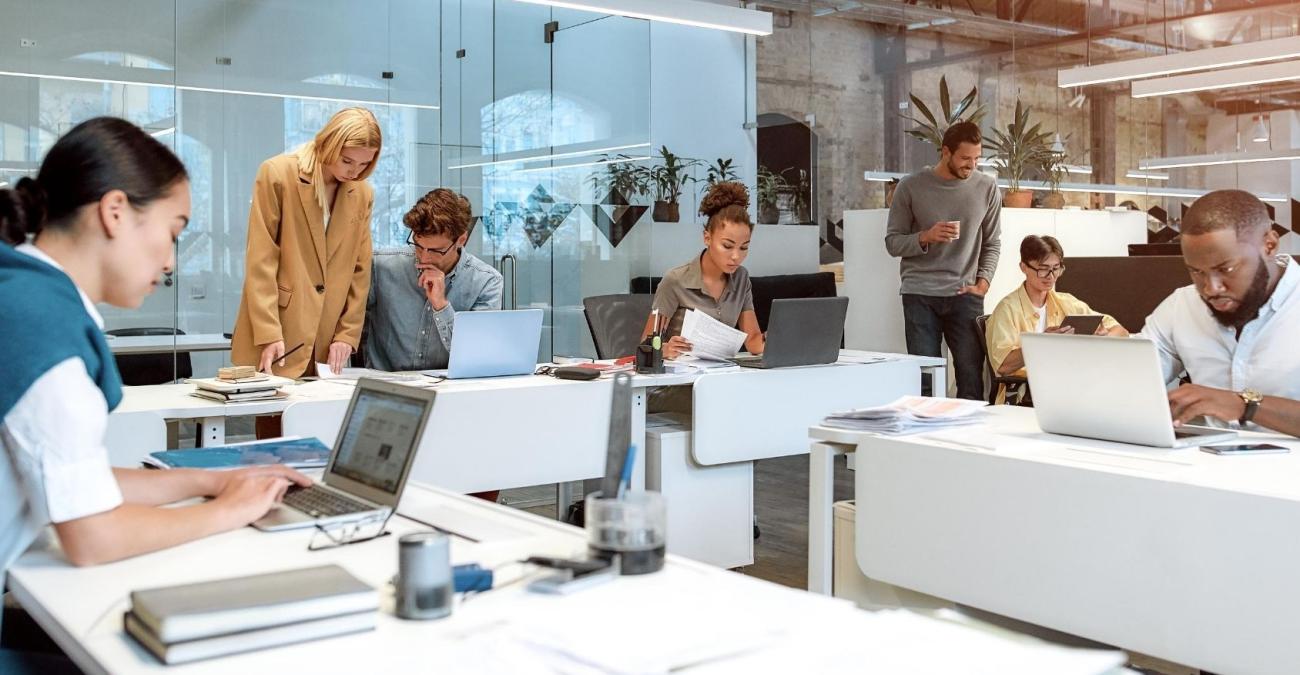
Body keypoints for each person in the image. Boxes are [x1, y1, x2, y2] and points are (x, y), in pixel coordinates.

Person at [0, 118, 309, 583]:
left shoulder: (22, 294)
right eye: (173, 231)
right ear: (115, 211)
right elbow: (93, 535)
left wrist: (215, 480)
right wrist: (230, 511)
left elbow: (79, 482)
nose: (169, 261)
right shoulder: (43, 328)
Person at [231, 107, 381, 379]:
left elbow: (360, 270)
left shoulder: (362, 193)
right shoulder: (277, 173)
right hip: (278, 332)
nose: (355, 171)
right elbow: (261, 260)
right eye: (348, 161)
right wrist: (268, 331)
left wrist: (347, 334)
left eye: (364, 165)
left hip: (327, 341)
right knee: (275, 420)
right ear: (330, 143)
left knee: (320, 420)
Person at [1143, 190, 1300, 436]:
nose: (1210, 288)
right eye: (1196, 271)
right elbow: (1130, 381)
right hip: (1204, 467)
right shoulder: (1181, 306)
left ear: (1269, 246)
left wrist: (1244, 405)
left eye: (1226, 268)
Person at [885, 121, 1001, 399]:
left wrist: (983, 283)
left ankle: (966, 440)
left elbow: (993, 242)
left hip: (966, 295)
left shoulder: (987, 188)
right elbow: (892, 242)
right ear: (945, 152)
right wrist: (925, 237)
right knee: (925, 379)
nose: (971, 165)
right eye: (964, 158)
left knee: (971, 378)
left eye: (976, 158)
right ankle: (925, 439)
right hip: (919, 294)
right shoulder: (911, 186)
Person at [365, 188, 502, 371]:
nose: (424, 257)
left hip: (449, 391)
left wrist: (441, 305)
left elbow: (477, 355)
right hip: (385, 388)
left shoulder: (486, 282)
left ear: (461, 240)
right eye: (419, 246)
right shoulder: (381, 266)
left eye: (436, 250)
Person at [985, 235, 1127, 403]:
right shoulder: (1007, 309)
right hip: (1026, 394)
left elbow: (1121, 331)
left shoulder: (1065, 302)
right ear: (1023, 267)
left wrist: (1103, 337)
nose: (1051, 276)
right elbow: (1003, 366)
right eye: (1043, 269)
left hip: (1068, 386)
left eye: (1056, 268)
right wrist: (1042, 343)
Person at [641, 181, 764, 358]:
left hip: (720, 376)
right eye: (727, 246)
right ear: (707, 237)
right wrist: (665, 349)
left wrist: (778, 338)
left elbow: (753, 342)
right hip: (680, 380)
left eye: (744, 248)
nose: (736, 256)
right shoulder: (675, 280)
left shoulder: (741, 278)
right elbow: (646, 345)